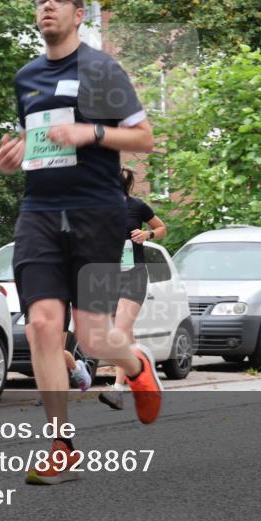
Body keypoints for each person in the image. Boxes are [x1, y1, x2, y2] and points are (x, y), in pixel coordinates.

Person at [0, 0, 162, 486]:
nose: (47, 8)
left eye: (58, 1)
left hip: (96, 212)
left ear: (78, 14)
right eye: (41, 1)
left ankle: (132, 364)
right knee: (42, 325)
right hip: (40, 212)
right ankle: (61, 444)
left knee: (92, 338)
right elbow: (31, 140)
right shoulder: (26, 77)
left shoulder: (100, 68)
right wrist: (11, 157)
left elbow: (144, 139)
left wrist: (89, 131)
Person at [100, 168, 167, 410]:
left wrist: (147, 233)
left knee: (119, 333)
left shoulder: (137, 206)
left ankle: (118, 390)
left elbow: (161, 228)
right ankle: (143, 372)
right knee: (126, 336)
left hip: (134, 277)